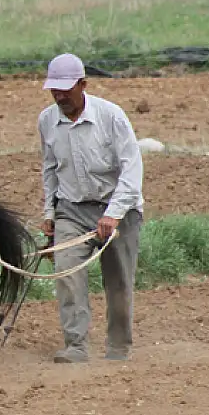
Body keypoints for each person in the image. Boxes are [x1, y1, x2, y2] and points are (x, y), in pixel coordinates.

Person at [38, 53, 145, 364]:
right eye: (54, 90)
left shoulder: (111, 117)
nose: (59, 96)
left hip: (118, 209)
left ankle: (118, 348)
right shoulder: (47, 121)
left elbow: (131, 169)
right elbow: (49, 169)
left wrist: (113, 214)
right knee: (67, 272)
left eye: (65, 90)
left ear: (83, 85)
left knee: (119, 282)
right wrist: (49, 213)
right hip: (71, 209)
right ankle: (75, 346)